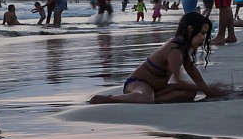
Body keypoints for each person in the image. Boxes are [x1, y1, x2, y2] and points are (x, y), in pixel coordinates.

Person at [89, 12, 217, 104]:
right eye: (202, 33)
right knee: (145, 98)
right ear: (190, 30)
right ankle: (109, 99)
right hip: (138, 83)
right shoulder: (174, 48)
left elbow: (192, 71)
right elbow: (178, 79)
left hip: (158, 89)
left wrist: (208, 91)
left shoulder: (183, 48)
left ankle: (153, 98)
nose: (204, 38)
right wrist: (207, 89)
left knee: (189, 93)